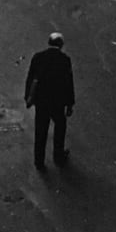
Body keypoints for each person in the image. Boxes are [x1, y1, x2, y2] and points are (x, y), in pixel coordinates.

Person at [25, 32, 75, 169]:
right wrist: (70, 104)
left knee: (40, 130)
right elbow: (68, 83)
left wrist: (28, 98)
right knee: (60, 126)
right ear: (61, 45)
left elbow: (31, 78)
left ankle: (39, 161)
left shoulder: (38, 57)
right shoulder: (65, 60)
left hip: (41, 101)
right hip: (57, 102)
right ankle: (58, 155)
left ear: (49, 43)